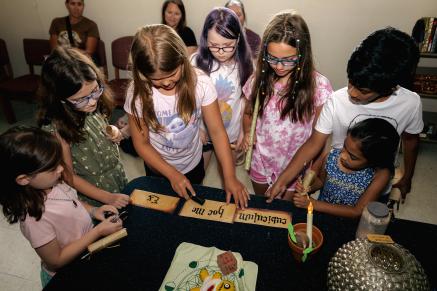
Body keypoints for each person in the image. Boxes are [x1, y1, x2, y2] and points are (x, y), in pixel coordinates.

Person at [267, 27, 423, 203]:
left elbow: (411, 142)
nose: (352, 93)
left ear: (391, 86)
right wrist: (284, 179)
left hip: (377, 189)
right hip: (333, 184)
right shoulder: (337, 100)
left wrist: (407, 178)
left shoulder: (410, 103)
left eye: (363, 90)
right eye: (350, 82)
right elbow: (313, 143)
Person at [124, 24, 249, 209]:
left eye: (172, 74)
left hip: (193, 162)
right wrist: (172, 174)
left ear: (182, 60)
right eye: (156, 79)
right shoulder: (137, 94)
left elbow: (217, 132)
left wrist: (230, 177)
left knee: (190, 209)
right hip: (157, 167)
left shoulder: (201, 84)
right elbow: (141, 143)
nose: (166, 82)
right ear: (142, 74)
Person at [0, 126, 123, 288]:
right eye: (52, 168)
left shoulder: (53, 183)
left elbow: (73, 202)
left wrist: (93, 210)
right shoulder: (34, 219)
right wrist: (98, 231)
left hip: (86, 252)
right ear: (24, 179)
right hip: (68, 273)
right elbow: (56, 260)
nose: (61, 169)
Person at [242, 10, 333, 200]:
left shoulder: (320, 87)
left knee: (286, 215)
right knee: (265, 208)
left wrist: (313, 171)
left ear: (303, 54)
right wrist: (247, 132)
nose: (279, 66)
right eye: (272, 58)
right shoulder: (258, 79)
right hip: (261, 162)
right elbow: (248, 113)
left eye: (288, 60)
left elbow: (319, 140)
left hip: (296, 166)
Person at [37, 46, 129, 208]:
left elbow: (101, 129)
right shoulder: (57, 129)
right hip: (96, 194)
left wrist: (113, 131)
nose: (93, 101)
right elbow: (68, 176)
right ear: (59, 98)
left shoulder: (90, 106)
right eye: (81, 99)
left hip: (115, 178)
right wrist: (107, 198)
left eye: (95, 91)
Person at [293, 118, 400, 218]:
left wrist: (314, 204)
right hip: (321, 215)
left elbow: (357, 211)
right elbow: (321, 181)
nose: (343, 155)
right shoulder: (332, 157)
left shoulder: (380, 175)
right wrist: (308, 188)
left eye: (353, 157)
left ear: (374, 161)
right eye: (344, 146)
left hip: (349, 223)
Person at [192, 7, 253, 170]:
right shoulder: (196, 63)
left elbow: (244, 101)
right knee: (198, 174)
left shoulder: (245, 66)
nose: (220, 52)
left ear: (238, 39)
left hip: (230, 134)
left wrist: (242, 132)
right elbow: (190, 100)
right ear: (205, 39)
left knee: (228, 173)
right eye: (214, 45)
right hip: (202, 131)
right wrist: (197, 127)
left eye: (227, 46)